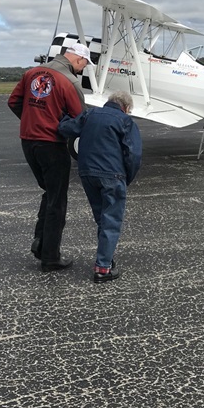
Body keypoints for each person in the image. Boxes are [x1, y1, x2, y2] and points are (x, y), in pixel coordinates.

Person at [8, 43, 94, 272]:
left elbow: (13, 102)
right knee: (57, 200)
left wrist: (31, 121)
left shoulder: (31, 73)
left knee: (49, 192)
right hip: (51, 145)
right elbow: (80, 119)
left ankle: (41, 242)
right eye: (85, 64)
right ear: (78, 59)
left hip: (28, 142)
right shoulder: (70, 82)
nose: (83, 69)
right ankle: (50, 257)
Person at [58, 91, 142, 283]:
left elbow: (66, 129)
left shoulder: (89, 114)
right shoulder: (125, 121)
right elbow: (133, 154)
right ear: (126, 108)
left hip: (87, 173)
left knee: (102, 219)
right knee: (111, 221)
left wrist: (62, 115)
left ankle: (106, 259)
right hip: (112, 174)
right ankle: (102, 268)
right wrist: (127, 177)